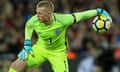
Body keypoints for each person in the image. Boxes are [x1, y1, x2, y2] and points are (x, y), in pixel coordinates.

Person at [8, 1, 111, 72]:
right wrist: (27, 44)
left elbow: (81, 15)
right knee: (16, 65)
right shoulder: (34, 20)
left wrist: (98, 11)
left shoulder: (62, 20)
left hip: (58, 53)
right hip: (41, 48)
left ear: (49, 14)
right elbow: (28, 26)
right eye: (37, 12)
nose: (37, 15)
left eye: (40, 13)